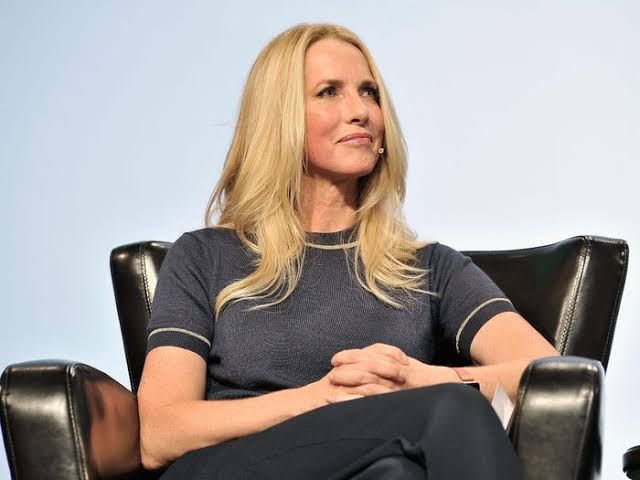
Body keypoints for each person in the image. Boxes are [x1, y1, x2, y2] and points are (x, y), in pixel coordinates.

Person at [137, 23, 560, 479]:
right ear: (279, 118)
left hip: (373, 460)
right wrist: (318, 399)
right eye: (328, 92)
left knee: (398, 472)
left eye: (369, 93)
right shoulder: (205, 256)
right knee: (452, 409)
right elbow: (160, 432)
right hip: (232, 465)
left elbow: (551, 373)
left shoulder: (428, 267)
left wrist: (424, 379)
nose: (360, 111)